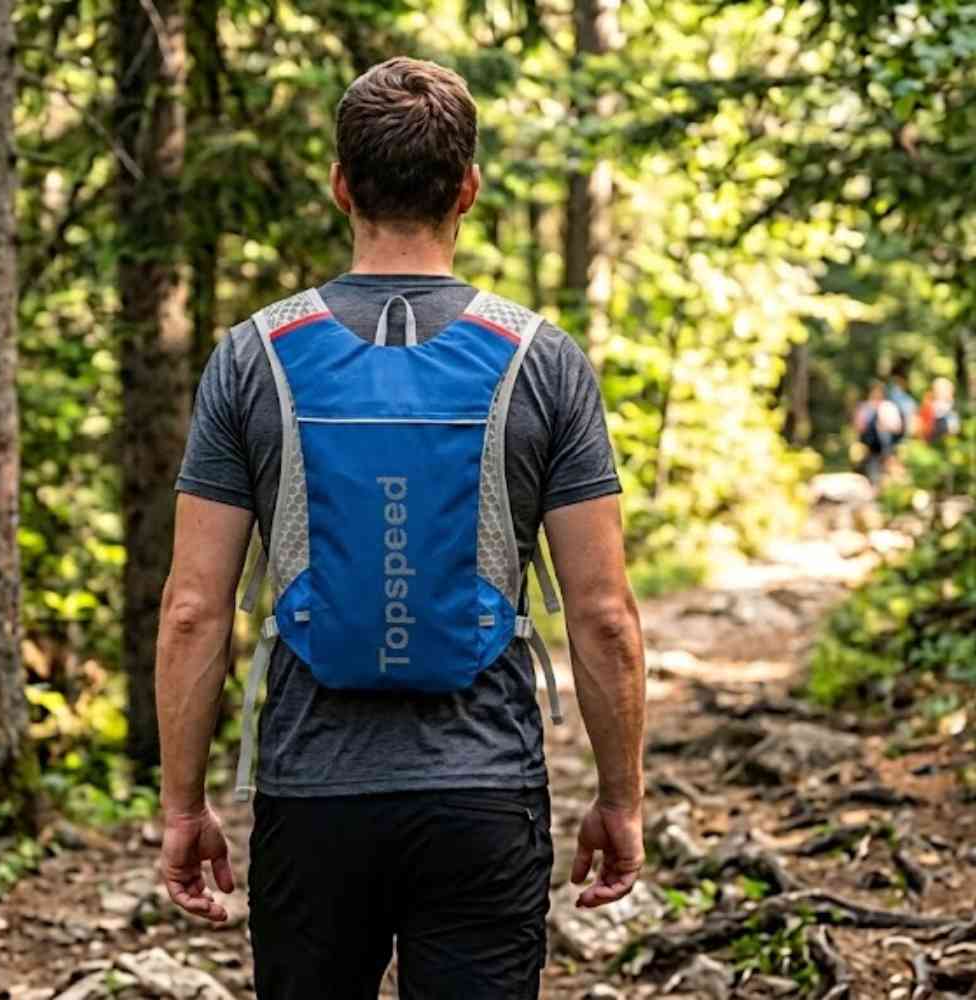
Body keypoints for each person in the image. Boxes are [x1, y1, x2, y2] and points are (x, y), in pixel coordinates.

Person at [155, 57, 647, 1000]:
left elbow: (191, 610)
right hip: (485, 791)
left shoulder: (252, 356)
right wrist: (621, 798)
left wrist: (184, 806)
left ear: (341, 185)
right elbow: (606, 615)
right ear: (468, 188)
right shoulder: (543, 359)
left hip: (310, 793)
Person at [918, 376, 960, 443]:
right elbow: (923, 424)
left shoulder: (952, 407)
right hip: (930, 438)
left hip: (944, 438)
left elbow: (954, 428)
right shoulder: (929, 404)